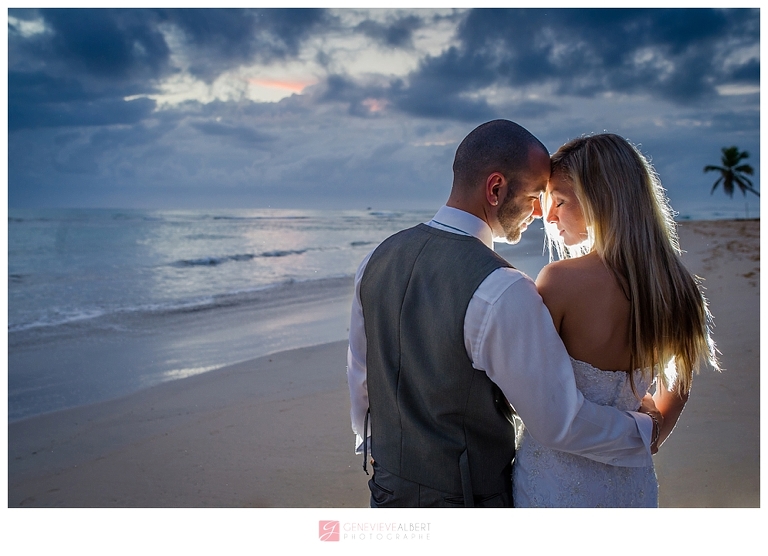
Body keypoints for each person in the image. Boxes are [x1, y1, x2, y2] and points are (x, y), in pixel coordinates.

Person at [347, 120, 662, 508]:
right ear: (495, 189)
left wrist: (378, 450)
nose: (540, 212)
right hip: (468, 501)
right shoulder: (503, 288)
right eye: (534, 196)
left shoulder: (376, 260)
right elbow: (558, 422)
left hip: (387, 490)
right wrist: (645, 432)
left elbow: (362, 376)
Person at [512, 133, 719, 507]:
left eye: (560, 201)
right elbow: (678, 388)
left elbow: (530, 393)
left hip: (554, 478)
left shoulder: (559, 281)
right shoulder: (677, 287)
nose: (551, 216)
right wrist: (650, 434)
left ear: (600, 200)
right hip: (630, 482)